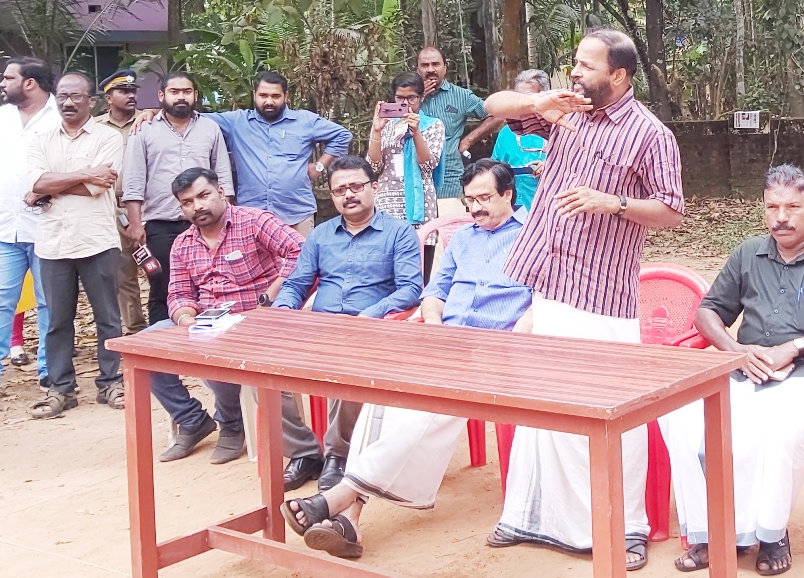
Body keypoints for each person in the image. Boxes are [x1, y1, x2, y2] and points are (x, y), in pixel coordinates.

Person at [485, 28, 684, 572]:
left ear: (618, 75)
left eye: (585, 64)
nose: (574, 72)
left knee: (615, 410)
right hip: (548, 279)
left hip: (602, 293)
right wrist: (535, 101)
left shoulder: (650, 134)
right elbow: (491, 105)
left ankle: (628, 528)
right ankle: (532, 516)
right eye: (574, 62)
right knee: (544, 402)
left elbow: (670, 208)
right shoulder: (565, 112)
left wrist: (611, 202)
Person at [280, 159, 532, 560]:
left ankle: (338, 498)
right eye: (469, 201)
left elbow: (541, 302)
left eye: (485, 198)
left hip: (495, 349)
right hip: (444, 343)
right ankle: (349, 523)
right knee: (382, 395)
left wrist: (514, 342)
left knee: (427, 408)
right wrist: (433, 322)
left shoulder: (534, 238)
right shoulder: (463, 238)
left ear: (508, 194)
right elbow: (434, 291)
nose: (476, 208)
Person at [661, 164, 804, 575]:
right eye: (773, 207)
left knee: (781, 428)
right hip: (742, 369)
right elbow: (707, 312)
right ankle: (710, 534)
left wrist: (795, 347)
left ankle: (771, 532)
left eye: (793, 207)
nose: (782, 217)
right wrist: (736, 350)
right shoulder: (749, 254)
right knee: (682, 417)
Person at [273, 155, 425, 492]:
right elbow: (297, 283)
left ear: (373, 188)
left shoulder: (398, 232)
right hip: (319, 329)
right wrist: (283, 310)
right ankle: (303, 452)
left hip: (369, 331)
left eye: (356, 186)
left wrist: (370, 314)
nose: (348, 194)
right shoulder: (321, 235)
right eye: (339, 189)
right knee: (261, 373)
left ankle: (338, 455)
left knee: (347, 370)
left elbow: (412, 289)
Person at [149, 167, 305, 464]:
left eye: (203, 195)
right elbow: (179, 294)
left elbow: (301, 251)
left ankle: (232, 424)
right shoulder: (183, 243)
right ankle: (192, 418)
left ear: (221, 192)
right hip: (207, 320)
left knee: (215, 348)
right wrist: (186, 319)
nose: (197, 206)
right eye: (187, 202)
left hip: (256, 317)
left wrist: (272, 295)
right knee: (146, 345)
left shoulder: (254, 221)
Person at [25, 71, 127, 419]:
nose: (68, 102)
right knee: (57, 321)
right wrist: (86, 173)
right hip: (53, 243)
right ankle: (60, 389)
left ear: (91, 101)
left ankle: (111, 382)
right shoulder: (40, 138)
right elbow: (38, 181)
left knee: (108, 318)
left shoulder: (109, 137)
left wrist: (48, 189)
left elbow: (100, 187)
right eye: (62, 96)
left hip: (96, 239)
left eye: (76, 96)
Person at [0, 57, 59, 409]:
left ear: (30, 83)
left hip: (47, 226)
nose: (2, 83)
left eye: (8, 78)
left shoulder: (59, 115)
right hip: (4, 226)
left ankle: (50, 371)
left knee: (50, 302)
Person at [122, 72, 235, 324]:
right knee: (163, 287)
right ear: (162, 96)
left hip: (205, 223)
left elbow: (223, 175)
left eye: (186, 91)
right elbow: (134, 180)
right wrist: (136, 224)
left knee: (210, 284)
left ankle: (202, 343)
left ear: (195, 95)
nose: (181, 96)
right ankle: (162, 351)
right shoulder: (144, 129)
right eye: (174, 92)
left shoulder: (210, 128)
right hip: (162, 224)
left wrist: (229, 214)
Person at [201, 71, 351, 235]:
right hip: (252, 215)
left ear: (285, 96)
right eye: (263, 95)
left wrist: (320, 166)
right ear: (255, 95)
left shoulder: (304, 121)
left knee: (300, 260)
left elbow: (342, 135)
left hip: (296, 213)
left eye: (275, 96)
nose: (269, 101)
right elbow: (196, 119)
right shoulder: (237, 122)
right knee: (257, 262)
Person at [416, 46, 502, 211]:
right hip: (414, 183)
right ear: (417, 68)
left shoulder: (461, 96)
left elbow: (497, 114)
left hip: (449, 181)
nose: (431, 69)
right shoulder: (408, 96)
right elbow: (394, 126)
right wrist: (418, 98)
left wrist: (468, 140)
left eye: (436, 64)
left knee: (449, 233)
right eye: (425, 65)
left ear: (445, 67)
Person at [95, 69, 147, 333]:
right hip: (111, 208)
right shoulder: (94, 128)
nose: (131, 95)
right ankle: (135, 329)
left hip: (149, 206)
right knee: (122, 275)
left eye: (133, 91)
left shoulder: (150, 121)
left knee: (159, 270)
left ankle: (168, 325)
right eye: (123, 91)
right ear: (108, 98)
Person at [367, 72, 444, 225]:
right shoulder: (385, 124)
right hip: (388, 202)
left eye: (411, 98)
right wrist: (376, 130)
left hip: (421, 201)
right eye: (400, 98)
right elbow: (373, 166)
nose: (406, 103)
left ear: (421, 97)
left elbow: (428, 165)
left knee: (422, 245)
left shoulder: (433, 125)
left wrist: (416, 132)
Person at [490, 69, 549, 209]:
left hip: (545, 209)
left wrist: (550, 166)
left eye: (528, 98)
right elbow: (493, 169)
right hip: (511, 211)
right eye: (518, 98)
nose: (522, 103)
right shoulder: (506, 133)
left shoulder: (556, 129)